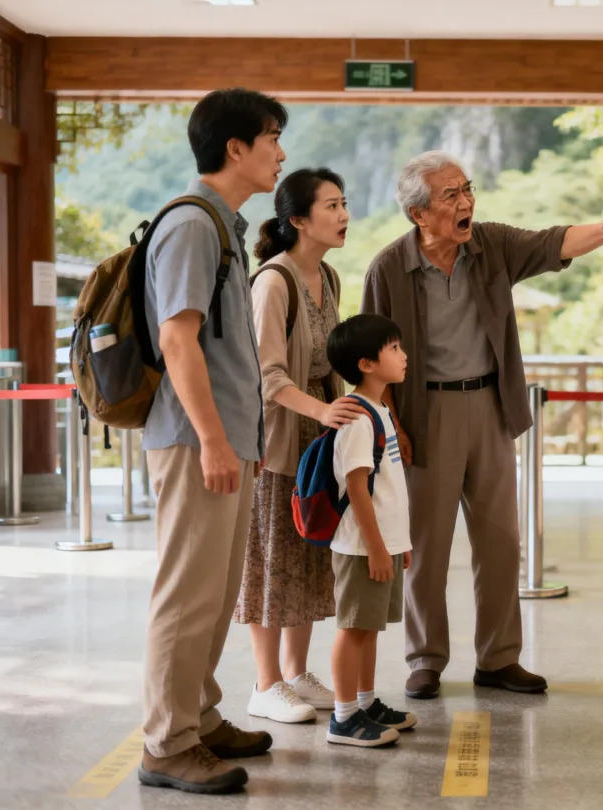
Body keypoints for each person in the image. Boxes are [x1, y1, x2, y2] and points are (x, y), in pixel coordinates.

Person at [361, 151, 603, 700]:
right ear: (418, 214)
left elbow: (555, 242)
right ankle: (425, 659)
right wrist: (391, 423)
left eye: (467, 189)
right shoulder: (388, 269)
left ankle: (499, 658)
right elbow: (368, 356)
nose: (465, 203)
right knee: (427, 549)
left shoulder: (491, 245)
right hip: (423, 415)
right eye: (450, 196)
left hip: (489, 406)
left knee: (500, 541)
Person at [136, 88, 287, 796]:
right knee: (187, 595)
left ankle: (198, 715)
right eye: (271, 138)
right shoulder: (194, 225)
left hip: (225, 439)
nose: (280, 154)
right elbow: (176, 337)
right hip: (200, 441)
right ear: (236, 148)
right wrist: (214, 441)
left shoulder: (224, 224)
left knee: (215, 592)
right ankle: (167, 745)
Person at [234, 168, 369, 724]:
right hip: (277, 441)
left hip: (319, 440)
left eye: (344, 203)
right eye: (331, 206)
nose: (343, 215)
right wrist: (322, 411)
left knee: (308, 556)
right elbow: (266, 376)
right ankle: (264, 685)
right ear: (297, 219)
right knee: (270, 562)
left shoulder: (329, 277)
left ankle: (294, 673)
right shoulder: (274, 281)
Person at [324, 314, 416, 747]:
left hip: (381, 544)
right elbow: (358, 490)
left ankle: (365, 701)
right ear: (366, 363)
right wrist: (379, 549)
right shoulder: (358, 419)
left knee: (370, 627)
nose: (403, 356)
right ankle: (344, 718)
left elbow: (389, 488)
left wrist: (400, 544)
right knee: (354, 628)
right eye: (393, 348)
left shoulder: (380, 409)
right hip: (363, 547)